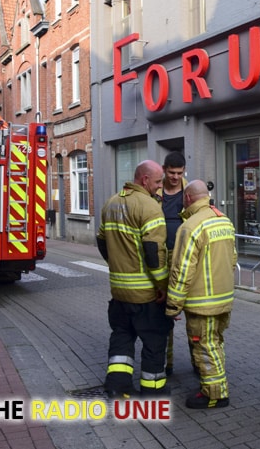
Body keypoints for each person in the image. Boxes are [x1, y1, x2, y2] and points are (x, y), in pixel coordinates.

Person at [97, 160, 174, 398]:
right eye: (158, 181)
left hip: (119, 291)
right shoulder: (149, 207)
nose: (160, 187)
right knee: (154, 341)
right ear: (145, 180)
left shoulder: (111, 203)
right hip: (145, 294)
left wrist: (116, 264)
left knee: (122, 337)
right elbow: (154, 252)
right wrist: (163, 285)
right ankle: (153, 391)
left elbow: (101, 241)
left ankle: (117, 386)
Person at [166, 180, 237, 409]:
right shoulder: (223, 220)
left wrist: (172, 306)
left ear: (187, 198)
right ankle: (214, 385)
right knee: (216, 343)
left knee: (205, 346)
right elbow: (233, 258)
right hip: (224, 298)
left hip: (201, 303)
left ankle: (215, 394)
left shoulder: (190, 226)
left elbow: (182, 270)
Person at [156, 151, 188, 376]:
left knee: (193, 315)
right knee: (164, 314)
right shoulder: (155, 192)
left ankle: (198, 362)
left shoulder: (189, 192)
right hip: (159, 257)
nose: (176, 177)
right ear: (164, 169)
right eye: (172, 172)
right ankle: (167, 364)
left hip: (183, 257)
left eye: (179, 173)